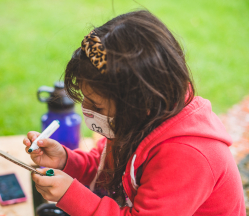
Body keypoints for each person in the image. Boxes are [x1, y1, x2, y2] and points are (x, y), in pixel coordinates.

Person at [23, 10, 245, 215]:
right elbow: (106, 171)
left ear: (139, 103)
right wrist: (65, 160)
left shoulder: (189, 156)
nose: (86, 111)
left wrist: (71, 195)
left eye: (97, 106)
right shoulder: (138, 120)